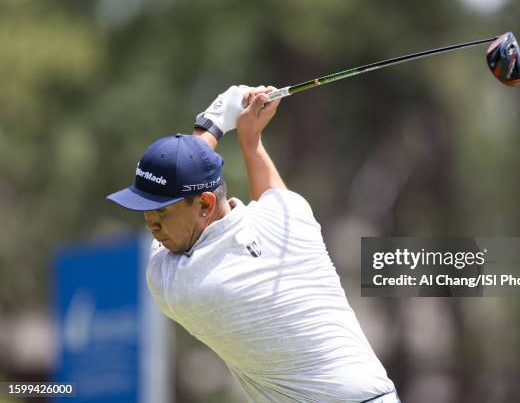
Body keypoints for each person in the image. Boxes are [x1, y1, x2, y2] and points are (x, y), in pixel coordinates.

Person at [107, 85, 400, 402]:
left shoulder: (182, 286)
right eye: (145, 211)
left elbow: (204, 160)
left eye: (162, 210)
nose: (152, 225)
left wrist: (213, 122)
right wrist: (249, 139)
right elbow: (270, 194)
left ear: (205, 204)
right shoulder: (292, 217)